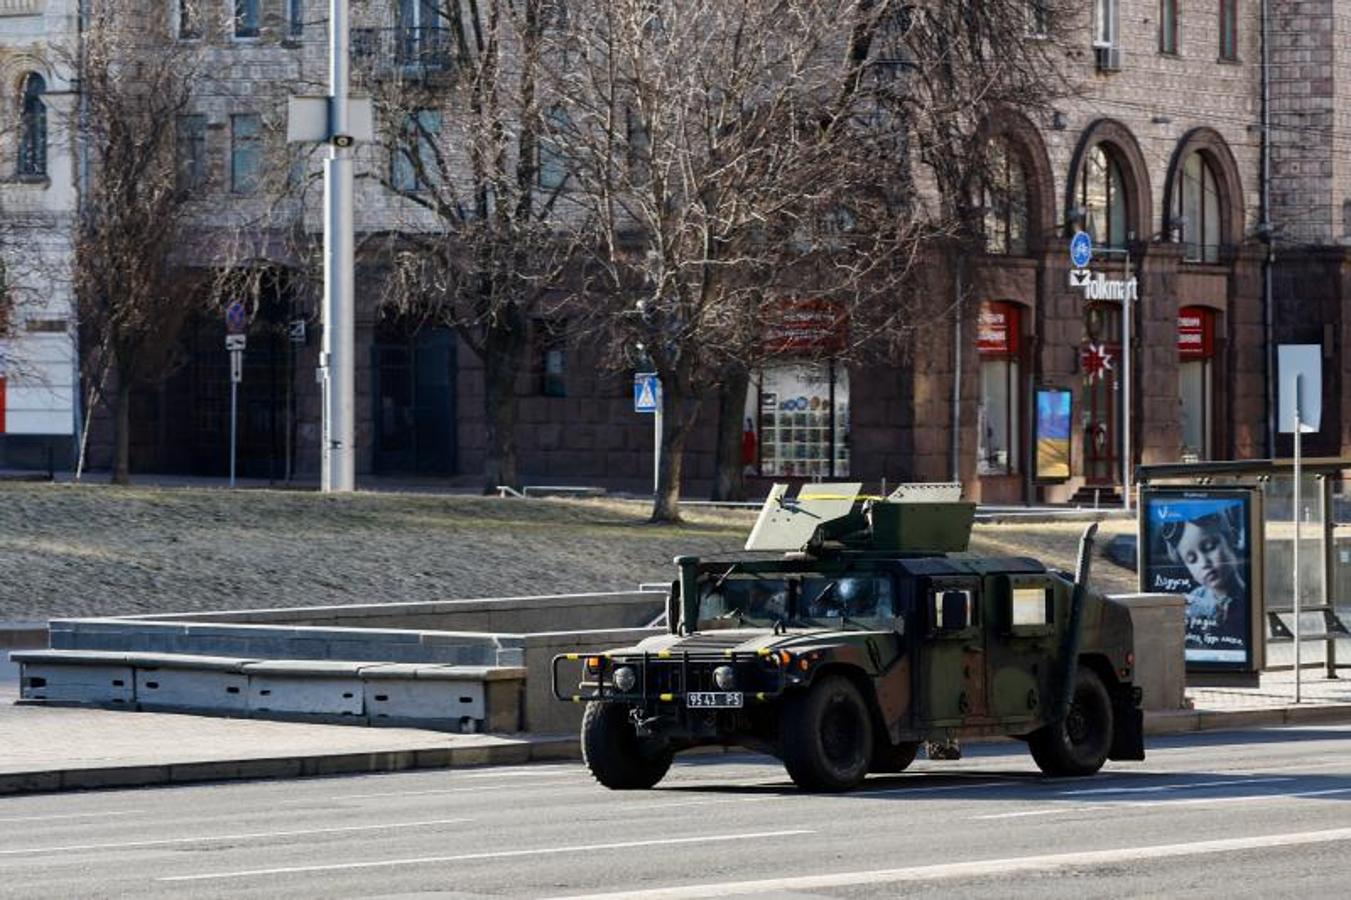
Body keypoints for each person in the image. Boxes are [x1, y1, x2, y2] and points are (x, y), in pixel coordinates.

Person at [1161, 510, 1247, 651]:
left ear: (1232, 538)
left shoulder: (1251, 596)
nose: (1204, 563)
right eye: (1192, 559)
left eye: (1209, 547)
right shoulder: (1193, 601)